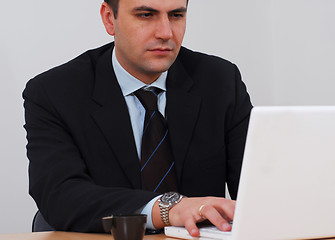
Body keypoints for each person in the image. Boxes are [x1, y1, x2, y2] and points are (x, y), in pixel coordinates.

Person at [23, 0, 252, 237]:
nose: (166, 33)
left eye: (176, 15)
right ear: (110, 18)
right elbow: (60, 196)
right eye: (145, 15)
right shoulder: (54, 92)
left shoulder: (220, 81)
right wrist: (167, 209)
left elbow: (257, 190)